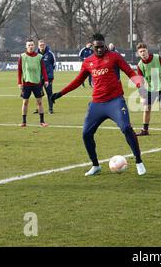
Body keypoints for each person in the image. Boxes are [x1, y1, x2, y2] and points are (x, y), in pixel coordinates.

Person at [51, 33, 147, 177]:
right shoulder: (88, 62)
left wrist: (139, 84)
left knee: (126, 128)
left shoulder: (115, 57)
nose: (100, 50)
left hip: (115, 101)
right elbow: (77, 81)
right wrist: (60, 93)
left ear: (105, 45)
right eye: (97, 47)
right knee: (86, 134)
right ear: (92, 46)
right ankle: (95, 165)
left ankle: (139, 161)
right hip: (97, 104)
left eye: (102, 47)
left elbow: (129, 71)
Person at [135, 42, 161, 136]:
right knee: (146, 109)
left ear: (147, 50)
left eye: (144, 51)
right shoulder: (140, 65)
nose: (143, 53)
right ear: (138, 53)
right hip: (150, 89)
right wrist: (142, 95)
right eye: (140, 51)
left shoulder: (157, 58)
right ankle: (145, 130)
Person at [17, 39, 49, 127]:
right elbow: (19, 70)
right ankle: (24, 122)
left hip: (37, 83)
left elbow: (43, 69)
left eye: (32, 45)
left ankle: (42, 122)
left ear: (34, 46)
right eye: (29, 45)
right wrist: (19, 82)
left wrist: (46, 80)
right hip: (26, 83)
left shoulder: (39, 56)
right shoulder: (22, 56)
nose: (30, 47)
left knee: (39, 102)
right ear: (26, 46)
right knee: (25, 102)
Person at [35, 40, 56, 114]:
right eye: (40, 45)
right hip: (38, 77)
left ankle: (50, 108)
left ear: (45, 45)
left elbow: (54, 64)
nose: (42, 46)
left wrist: (49, 73)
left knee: (49, 93)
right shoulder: (35, 54)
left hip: (48, 77)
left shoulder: (50, 54)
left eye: (43, 45)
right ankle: (38, 108)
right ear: (38, 46)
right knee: (38, 93)